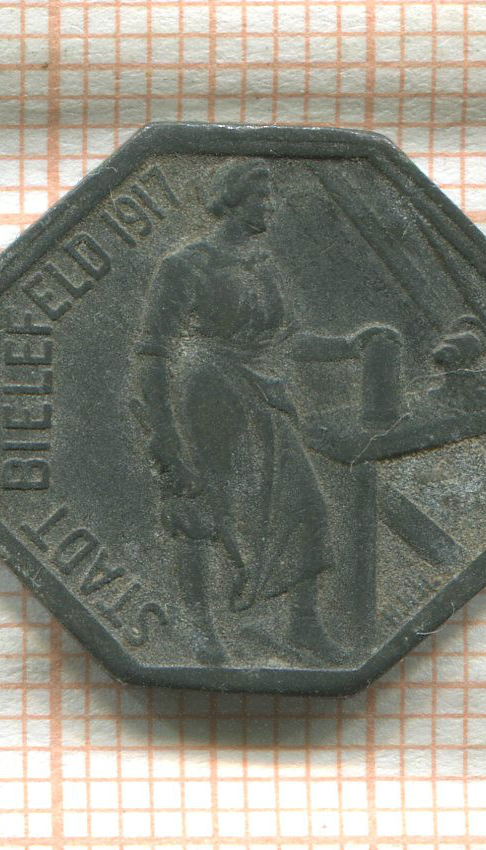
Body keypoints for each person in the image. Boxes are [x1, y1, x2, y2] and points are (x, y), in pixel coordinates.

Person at [135, 160, 345, 665]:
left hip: (258, 391)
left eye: (270, 197)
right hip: (205, 394)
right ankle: (199, 630)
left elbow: (289, 340)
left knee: (308, 506)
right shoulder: (186, 265)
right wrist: (165, 433)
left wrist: (349, 346)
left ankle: (303, 625)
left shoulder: (262, 266)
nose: (271, 206)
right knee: (199, 509)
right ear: (233, 200)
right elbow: (152, 351)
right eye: (261, 197)